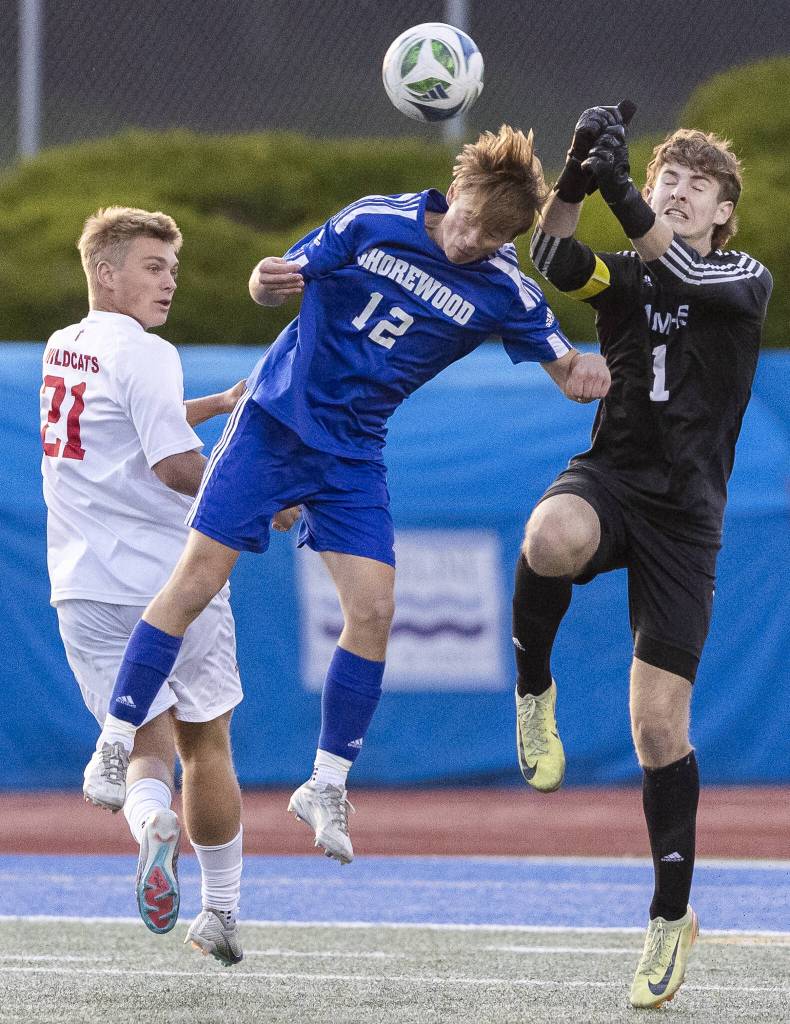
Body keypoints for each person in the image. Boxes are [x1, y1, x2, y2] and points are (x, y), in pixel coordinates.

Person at [83, 125, 610, 866]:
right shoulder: (375, 220)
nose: (473, 242)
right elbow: (277, 281)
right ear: (453, 192)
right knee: (196, 581)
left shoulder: (504, 289)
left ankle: (325, 784)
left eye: (495, 236)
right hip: (274, 423)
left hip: (353, 453)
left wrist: (582, 375)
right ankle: (112, 741)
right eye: (470, 221)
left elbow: (565, 367)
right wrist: (265, 282)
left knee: (375, 609)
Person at [515, 106, 772, 1008]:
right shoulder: (628, 272)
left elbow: (689, 272)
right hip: (613, 477)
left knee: (658, 731)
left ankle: (670, 917)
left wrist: (622, 191)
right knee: (549, 538)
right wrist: (578, 181)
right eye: (670, 177)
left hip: (686, 521)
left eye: (698, 185)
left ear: (724, 212)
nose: (679, 189)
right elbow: (549, 261)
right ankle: (534, 689)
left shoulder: (740, 274)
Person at [41, 207, 247, 965]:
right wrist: (254, 494)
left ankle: (155, 823)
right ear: (106, 270)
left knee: (144, 753)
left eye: (172, 268)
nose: (169, 281)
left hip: (86, 586)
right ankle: (220, 909)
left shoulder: (64, 348)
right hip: (174, 583)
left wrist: (215, 405)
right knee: (207, 743)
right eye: (154, 266)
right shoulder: (150, 352)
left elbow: (129, 429)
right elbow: (170, 464)